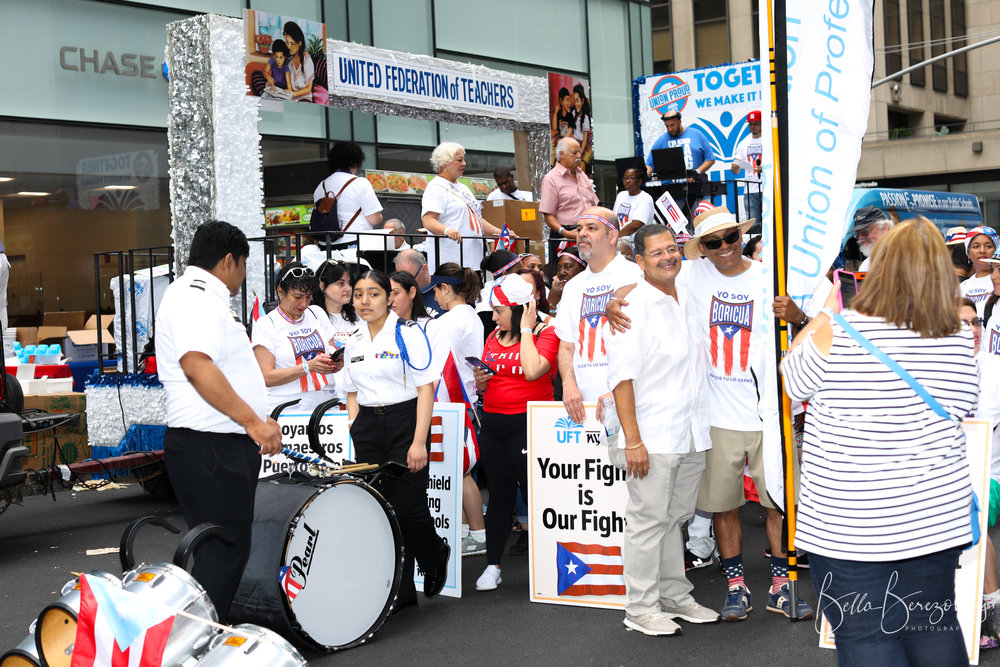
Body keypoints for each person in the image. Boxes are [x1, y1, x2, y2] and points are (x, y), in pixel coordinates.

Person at [781, 216, 977, 664]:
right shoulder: (956, 336)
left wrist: (830, 308)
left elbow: (791, 380)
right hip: (931, 519)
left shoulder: (843, 330)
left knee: (868, 638)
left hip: (849, 525)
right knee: (933, 628)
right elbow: (965, 402)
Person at [155, 220, 282, 621]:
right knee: (223, 553)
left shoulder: (198, 296)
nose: (243, 276)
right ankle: (200, 643)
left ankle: (201, 638)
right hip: (210, 444)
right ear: (229, 260)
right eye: (244, 265)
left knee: (219, 552)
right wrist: (253, 422)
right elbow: (197, 365)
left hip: (213, 442)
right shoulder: (196, 298)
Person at [604, 224, 718, 635]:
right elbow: (622, 380)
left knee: (676, 518)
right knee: (648, 521)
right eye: (657, 253)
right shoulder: (632, 307)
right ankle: (640, 607)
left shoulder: (686, 295)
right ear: (639, 261)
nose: (668, 257)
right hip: (651, 436)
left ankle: (673, 596)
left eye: (672, 249)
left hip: (690, 431)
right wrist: (632, 440)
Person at [342, 270, 450, 608]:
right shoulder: (353, 339)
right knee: (380, 511)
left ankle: (433, 554)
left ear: (389, 298)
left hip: (406, 422)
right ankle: (400, 591)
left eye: (373, 293)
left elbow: (425, 389)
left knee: (408, 508)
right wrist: (353, 425)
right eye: (358, 294)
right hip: (368, 430)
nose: (364, 301)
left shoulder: (408, 333)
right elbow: (350, 391)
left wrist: (419, 441)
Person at [472, 274, 560, 591]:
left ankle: (551, 564)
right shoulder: (496, 334)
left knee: (539, 497)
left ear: (520, 309)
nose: (493, 317)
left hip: (529, 423)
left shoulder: (546, 332)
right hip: (494, 423)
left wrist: (525, 329)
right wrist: (481, 380)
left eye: (499, 310)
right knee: (499, 497)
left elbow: (534, 369)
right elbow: (487, 378)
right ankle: (492, 566)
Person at [555, 207, 642, 426]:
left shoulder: (636, 276)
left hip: (632, 405)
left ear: (612, 235)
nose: (581, 233)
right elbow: (566, 345)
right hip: (582, 408)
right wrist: (568, 385)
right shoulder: (573, 287)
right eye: (579, 228)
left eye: (591, 228)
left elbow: (650, 345)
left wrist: (621, 392)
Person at [424, 263, 488, 557]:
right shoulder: (469, 315)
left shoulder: (450, 321)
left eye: (435, 290)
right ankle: (466, 532)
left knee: (460, 474)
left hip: (453, 401)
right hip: (462, 399)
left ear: (445, 289)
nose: (434, 297)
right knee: (457, 472)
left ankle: (477, 533)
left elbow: (437, 363)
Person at [251, 262, 341, 413]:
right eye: (297, 297)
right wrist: (308, 367)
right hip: (289, 408)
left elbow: (332, 350)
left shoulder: (316, 313)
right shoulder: (267, 324)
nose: (304, 303)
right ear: (280, 292)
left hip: (326, 403)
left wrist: (336, 363)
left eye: (308, 297)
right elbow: (266, 377)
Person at [421, 142, 503, 271]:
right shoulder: (436, 187)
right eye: (459, 160)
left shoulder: (463, 187)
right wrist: (447, 230)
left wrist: (500, 233)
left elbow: (476, 220)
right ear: (445, 163)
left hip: (473, 260)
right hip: (451, 262)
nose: (464, 163)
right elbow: (428, 220)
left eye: (464, 159)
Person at [540, 138, 599, 265]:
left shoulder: (582, 175)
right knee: (567, 275)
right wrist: (565, 232)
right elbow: (548, 215)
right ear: (562, 154)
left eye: (579, 153)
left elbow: (594, 204)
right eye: (574, 153)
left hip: (588, 231)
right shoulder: (551, 179)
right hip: (565, 234)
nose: (579, 156)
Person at [312, 141, 383, 248]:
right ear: (356, 161)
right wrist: (380, 217)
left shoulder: (321, 186)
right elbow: (374, 219)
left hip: (325, 246)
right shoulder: (360, 183)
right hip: (355, 244)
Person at [644, 111, 716, 178]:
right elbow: (649, 165)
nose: (670, 129)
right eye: (667, 126)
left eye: (672, 125)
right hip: (669, 188)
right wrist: (642, 178)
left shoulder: (697, 135)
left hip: (695, 185)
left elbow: (710, 159)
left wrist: (696, 173)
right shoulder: (660, 141)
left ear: (679, 122)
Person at [312, 259, 360, 349]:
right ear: (322, 286)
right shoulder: (311, 316)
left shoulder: (359, 313)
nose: (348, 288)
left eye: (349, 283)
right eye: (341, 283)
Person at [730, 111, 763, 226]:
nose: (752, 127)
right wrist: (734, 167)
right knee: (753, 226)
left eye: (756, 124)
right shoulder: (743, 143)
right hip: (750, 189)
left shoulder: (769, 140)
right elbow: (737, 170)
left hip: (767, 187)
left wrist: (764, 169)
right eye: (750, 124)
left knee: (770, 222)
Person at [961, 226, 1000, 318]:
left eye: (988, 246)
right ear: (968, 253)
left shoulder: (998, 283)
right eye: (976, 246)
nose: (982, 251)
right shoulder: (962, 288)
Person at [395, 248, 442, 317]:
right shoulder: (397, 294)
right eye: (400, 278)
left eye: (410, 278)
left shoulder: (441, 292)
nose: (405, 283)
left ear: (424, 269)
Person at [612, 168, 655, 238]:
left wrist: (616, 237)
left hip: (636, 242)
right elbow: (614, 218)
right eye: (625, 178)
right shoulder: (621, 195)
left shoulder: (645, 198)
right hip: (620, 239)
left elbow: (635, 225)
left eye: (631, 178)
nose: (627, 181)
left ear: (640, 181)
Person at [849, 205, 892, 272]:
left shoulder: (904, 256)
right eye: (857, 233)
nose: (860, 237)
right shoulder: (866, 265)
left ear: (884, 227)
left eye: (865, 232)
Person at [547, 247, 587, 314]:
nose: (562, 272)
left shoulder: (590, 293)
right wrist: (551, 303)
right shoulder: (556, 294)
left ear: (583, 268)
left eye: (568, 266)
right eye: (558, 268)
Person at [283, 21, 314, 102]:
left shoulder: (307, 60)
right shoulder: (290, 61)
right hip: (292, 98)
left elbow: (308, 89)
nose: (289, 47)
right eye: (287, 42)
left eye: (292, 44)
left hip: (304, 99)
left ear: (299, 43)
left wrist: (293, 94)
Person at [572, 83, 594, 167]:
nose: (576, 104)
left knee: (581, 164)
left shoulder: (585, 118)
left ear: (582, 101)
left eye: (577, 100)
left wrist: (580, 152)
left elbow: (585, 139)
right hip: (574, 143)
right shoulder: (573, 113)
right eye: (574, 101)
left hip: (582, 145)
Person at [551, 86, 576, 157]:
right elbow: (555, 128)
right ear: (561, 101)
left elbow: (570, 131)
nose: (570, 103)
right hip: (561, 140)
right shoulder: (558, 115)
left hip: (567, 140)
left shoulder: (570, 115)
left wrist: (561, 142)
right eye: (567, 100)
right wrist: (555, 112)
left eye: (570, 100)